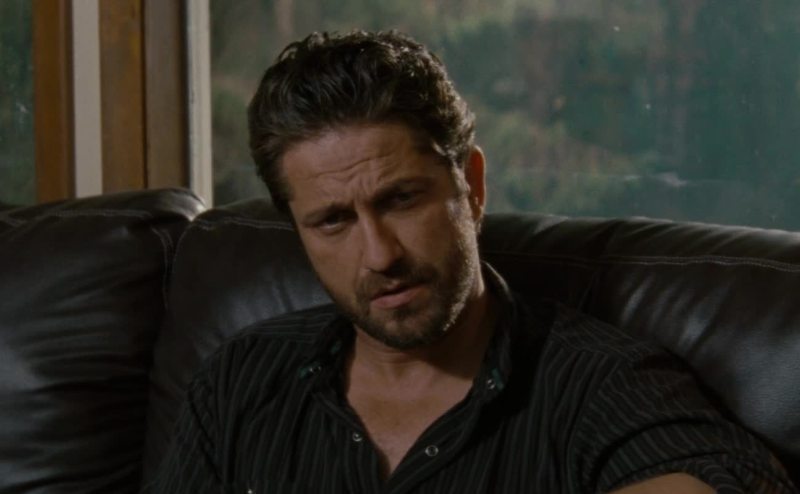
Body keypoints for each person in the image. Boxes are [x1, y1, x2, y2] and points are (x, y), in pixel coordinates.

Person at [148, 30, 797, 493]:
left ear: (472, 186)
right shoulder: (242, 379)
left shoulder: (596, 384)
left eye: (402, 199)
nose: (380, 255)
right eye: (333, 221)